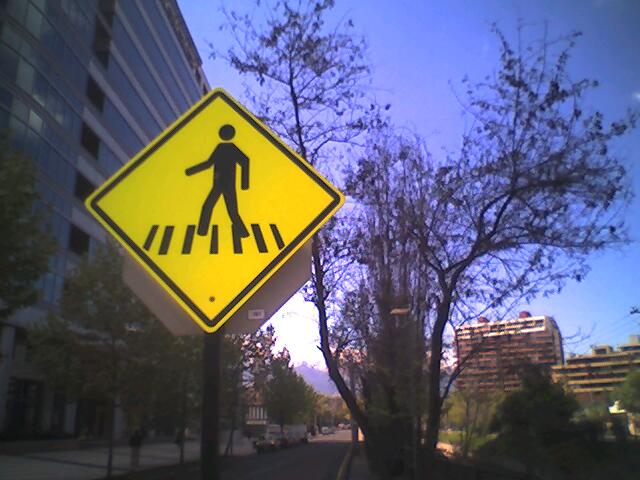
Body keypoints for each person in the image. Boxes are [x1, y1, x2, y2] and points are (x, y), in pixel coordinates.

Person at [185, 124, 250, 237]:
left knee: (231, 211)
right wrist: (191, 171)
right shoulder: (220, 147)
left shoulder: (231, 148)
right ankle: (202, 232)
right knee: (208, 207)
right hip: (218, 184)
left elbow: (245, 161)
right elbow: (209, 163)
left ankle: (243, 233)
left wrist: (244, 184)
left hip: (228, 184)